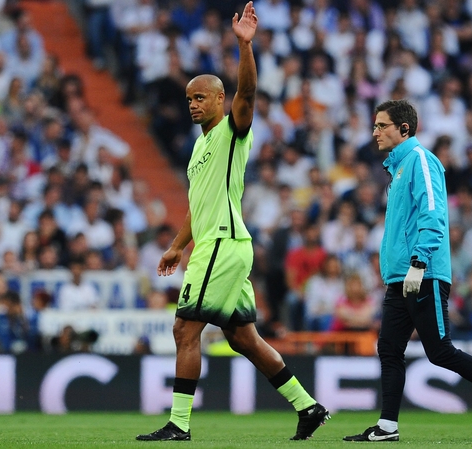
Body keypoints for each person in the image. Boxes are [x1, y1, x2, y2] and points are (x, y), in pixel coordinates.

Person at [136, 3, 329, 442]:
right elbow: (195, 207)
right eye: (188, 99)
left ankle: (179, 425)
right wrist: (176, 245)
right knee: (243, 338)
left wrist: (245, 46)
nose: (193, 105)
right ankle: (308, 406)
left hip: (223, 244)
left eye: (199, 97)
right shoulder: (198, 148)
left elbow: (249, 96)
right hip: (219, 242)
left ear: (220, 99)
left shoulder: (232, 130)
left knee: (185, 328)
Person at [344, 100, 472, 443]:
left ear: (405, 129)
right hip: (401, 277)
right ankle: (387, 427)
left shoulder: (421, 161)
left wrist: (419, 262)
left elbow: (433, 215)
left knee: (440, 350)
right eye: (375, 125)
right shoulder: (398, 168)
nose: (375, 132)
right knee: (389, 349)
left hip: (422, 274)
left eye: (382, 126)